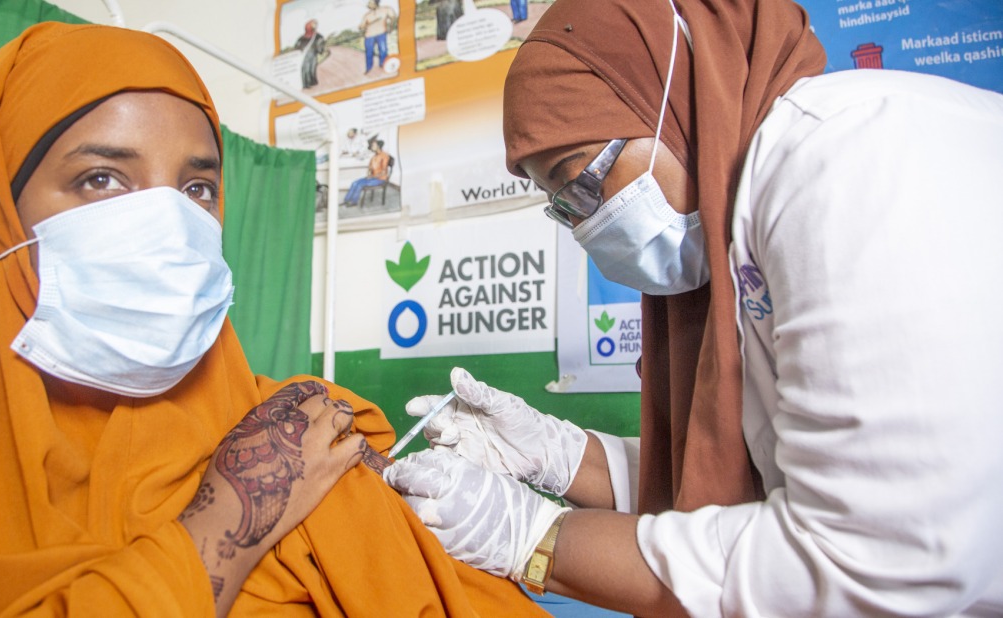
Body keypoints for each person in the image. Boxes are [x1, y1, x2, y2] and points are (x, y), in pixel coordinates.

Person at [0, 22, 548, 617]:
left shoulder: (299, 424)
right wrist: (232, 516)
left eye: (197, 189)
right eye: (102, 179)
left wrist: (543, 515)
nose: (167, 222)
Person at [383, 0, 1003, 616]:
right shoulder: (743, 216)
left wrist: (535, 539)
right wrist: (556, 455)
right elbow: (751, 475)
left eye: (578, 182)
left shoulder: (849, 163)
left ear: (677, 100)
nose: (583, 225)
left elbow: (876, 560)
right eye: (560, 205)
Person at [343, 137, 392, 206]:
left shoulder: (384, 156)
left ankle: (354, 202)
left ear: (378, 146)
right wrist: (369, 174)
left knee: (359, 185)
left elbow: (383, 172)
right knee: (354, 183)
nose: (371, 147)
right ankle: (346, 200)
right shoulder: (374, 157)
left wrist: (372, 176)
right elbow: (370, 168)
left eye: (373, 145)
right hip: (372, 177)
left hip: (380, 179)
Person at [359, 0, 396, 73]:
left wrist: (391, 26)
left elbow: (393, 16)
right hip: (369, 35)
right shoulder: (367, 15)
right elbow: (362, 26)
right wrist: (362, 27)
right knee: (369, 52)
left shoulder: (385, 9)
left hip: (381, 33)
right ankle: (368, 68)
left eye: (371, 3)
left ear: (376, 3)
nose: (369, 4)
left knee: (383, 50)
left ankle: (383, 64)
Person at [294, 19, 327, 89]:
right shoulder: (301, 39)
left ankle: (312, 82)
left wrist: (320, 50)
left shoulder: (318, 36)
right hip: (305, 57)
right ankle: (306, 84)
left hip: (312, 55)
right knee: (306, 69)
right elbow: (297, 48)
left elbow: (320, 45)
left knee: (312, 68)